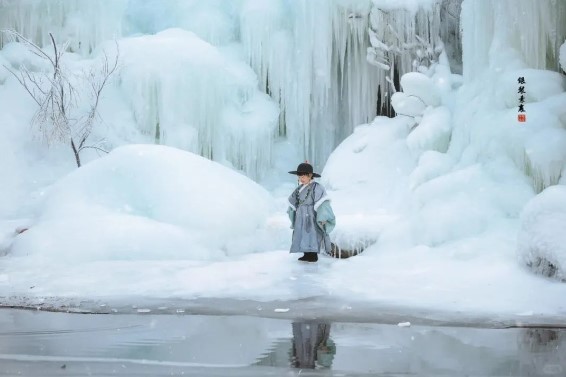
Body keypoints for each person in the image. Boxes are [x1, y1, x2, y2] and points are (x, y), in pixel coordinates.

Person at [287, 162, 335, 262]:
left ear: (310, 176)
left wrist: (323, 217)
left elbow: (322, 202)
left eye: (304, 176)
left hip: (311, 215)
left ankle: (313, 254)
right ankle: (306, 253)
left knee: (312, 234)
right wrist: (294, 210)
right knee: (302, 233)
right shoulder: (299, 188)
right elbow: (293, 200)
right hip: (301, 215)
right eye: (299, 176)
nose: (301, 178)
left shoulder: (317, 187)